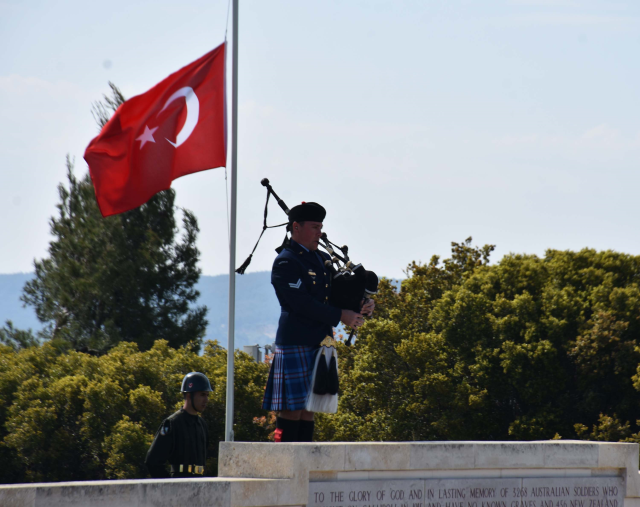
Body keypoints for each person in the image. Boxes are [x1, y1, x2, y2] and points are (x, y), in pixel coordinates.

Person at [262, 201, 374, 442]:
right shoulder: (286, 262)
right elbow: (300, 304)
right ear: (296, 227)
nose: (320, 232)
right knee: (292, 409)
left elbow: (338, 295)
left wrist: (362, 306)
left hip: (321, 343)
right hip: (296, 341)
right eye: (314, 227)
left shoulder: (322, 259)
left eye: (321, 226)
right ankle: (285, 460)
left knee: (310, 409)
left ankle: (304, 463)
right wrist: (340, 316)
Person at [145, 372, 212, 478]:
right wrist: (170, 487)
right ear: (189, 395)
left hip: (200, 486)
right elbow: (153, 461)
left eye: (207, 395)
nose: (206, 400)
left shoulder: (202, 425)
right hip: (179, 487)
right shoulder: (173, 423)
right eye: (202, 395)